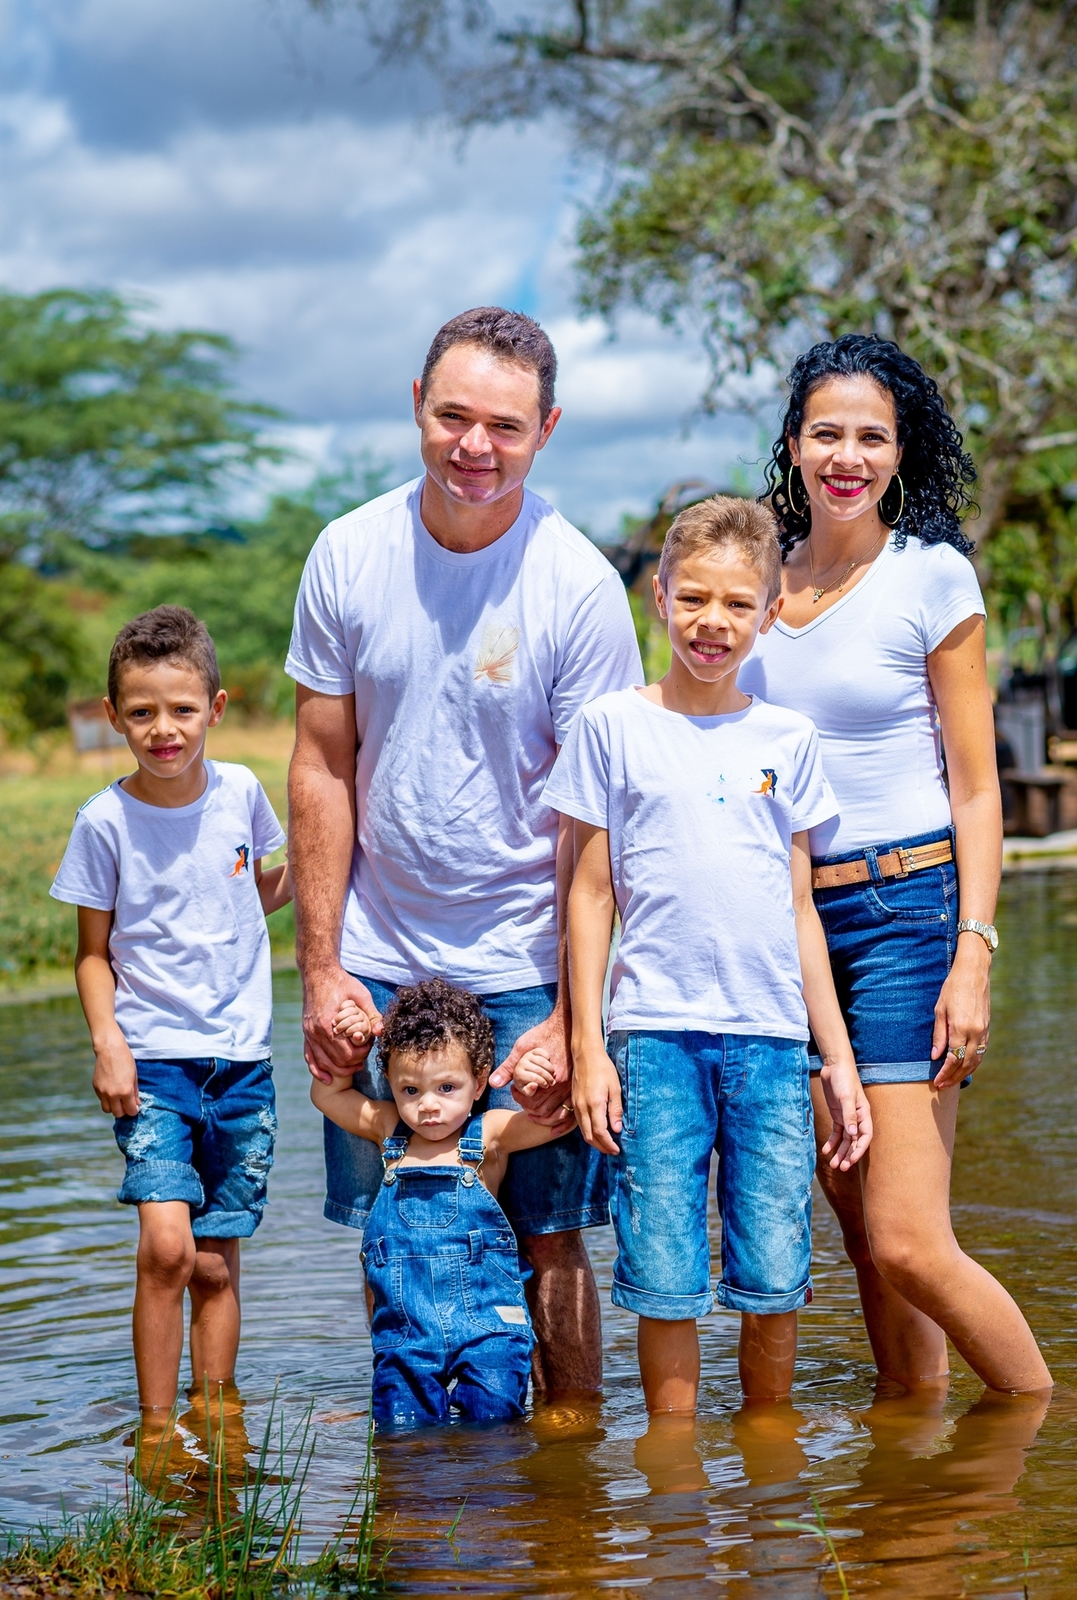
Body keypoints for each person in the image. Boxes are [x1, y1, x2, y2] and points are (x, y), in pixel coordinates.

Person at [285, 307, 643, 1394]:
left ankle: (569, 1487)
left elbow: (604, 815)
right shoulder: (349, 552)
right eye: (453, 417)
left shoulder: (578, 583)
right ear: (415, 408)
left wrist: (574, 1019)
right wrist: (320, 966)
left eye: (504, 425)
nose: (474, 447)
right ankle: (417, 1463)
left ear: (546, 430)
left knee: (550, 1241)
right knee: (395, 1230)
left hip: (530, 956)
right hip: (382, 952)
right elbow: (319, 764)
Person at [741, 334, 1052, 1394]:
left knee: (911, 1237)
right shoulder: (757, 584)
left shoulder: (931, 574)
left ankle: (1044, 1420)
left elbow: (977, 787)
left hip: (907, 914)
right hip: (789, 929)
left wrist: (976, 950)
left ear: (901, 450)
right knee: (860, 1227)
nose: (847, 455)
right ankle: (911, 1441)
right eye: (827, 432)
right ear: (794, 443)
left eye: (872, 436)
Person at [545, 495, 872, 1417]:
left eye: (737, 604)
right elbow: (590, 894)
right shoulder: (613, 727)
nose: (712, 623)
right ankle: (674, 1476)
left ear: (769, 611)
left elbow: (800, 909)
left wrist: (837, 1063)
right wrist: (588, 1047)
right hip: (652, 1041)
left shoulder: (788, 739)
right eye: (694, 599)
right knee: (662, 1269)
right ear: (660, 598)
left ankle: (771, 1468)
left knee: (774, 1268)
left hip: (771, 1044)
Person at [49, 606, 293, 1429]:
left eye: (182, 710)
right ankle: (157, 1430)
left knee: (217, 1268)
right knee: (166, 1249)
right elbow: (92, 952)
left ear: (215, 710)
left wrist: (334, 859)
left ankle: (215, 1416)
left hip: (241, 1063)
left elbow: (256, 887)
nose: (164, 730)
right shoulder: (104, 821)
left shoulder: (244, 795)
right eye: (143, 712)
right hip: (152, 1061)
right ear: (114, 716)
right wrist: (107, 1042)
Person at [313, 979, 577, 1429]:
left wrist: (536, 1082)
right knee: (402, 1432)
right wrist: (350, 1047)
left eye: (447, 1087)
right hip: (406, 1334)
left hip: (489, 1327)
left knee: (494, 1428)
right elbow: (327, 1095)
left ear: (478, 1082)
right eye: (410, 1090)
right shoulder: (388, 1131)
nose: (428, 1106)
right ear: (392, 1086)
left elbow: (559, 1121)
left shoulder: (490, 1132)